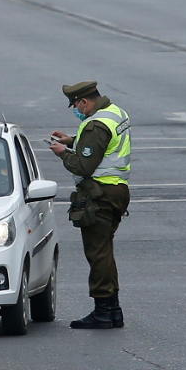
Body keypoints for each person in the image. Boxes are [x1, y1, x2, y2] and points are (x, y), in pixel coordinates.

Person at [48, 80, 131, 330]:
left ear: (84, 101)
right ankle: (113, 310)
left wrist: (63, 152)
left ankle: (104, 310)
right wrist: (73, 140)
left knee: (98, 253)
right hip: (117, 190)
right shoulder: (115, 113)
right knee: (104, 250)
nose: (75, 109)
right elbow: (102, 145)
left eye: (75, 104)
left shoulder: (95, 124)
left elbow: (84, 165)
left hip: (100, 193)